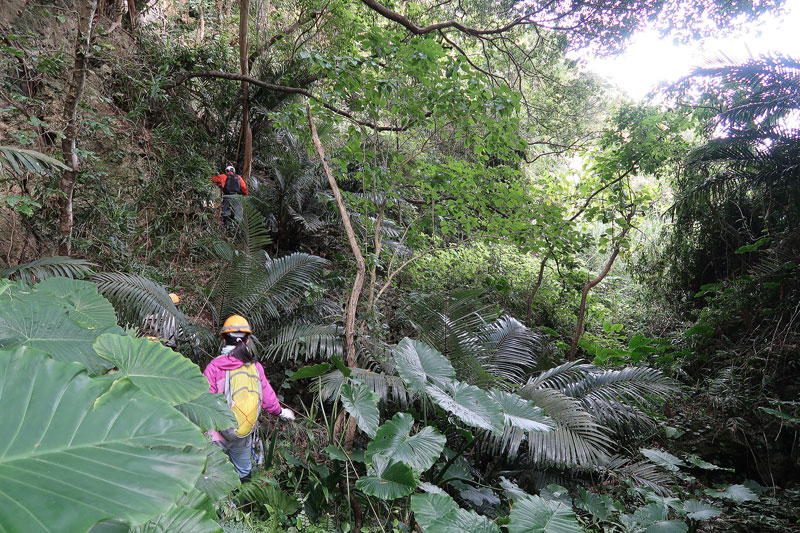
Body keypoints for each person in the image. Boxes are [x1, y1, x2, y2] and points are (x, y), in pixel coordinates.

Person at [202, 315, 294, 482]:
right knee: (244, 472)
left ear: (224, 340)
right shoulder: (255, 367)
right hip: (242, 431)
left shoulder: (214, 366)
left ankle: (222, 506)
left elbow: (203, 400)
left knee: (212, 473)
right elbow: (268, 399)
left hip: (216, 431)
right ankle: (244, 502)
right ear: (247, 341)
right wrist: (281, 412)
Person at [210, 165, 248, 230]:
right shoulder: (238, 177)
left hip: (227, 196)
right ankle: (238, 229)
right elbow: (244, 187)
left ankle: (226, 227)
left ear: (226, 171)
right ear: (234, 171)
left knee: (225, 211)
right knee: (238, 212)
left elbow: (213, 179)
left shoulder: (223, 176)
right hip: (237, 196)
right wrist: (246, 194)